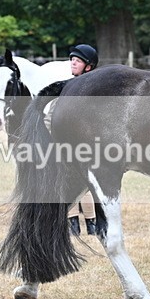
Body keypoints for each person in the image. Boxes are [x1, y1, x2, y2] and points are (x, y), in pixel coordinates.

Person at [66, 44, 99, 235]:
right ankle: (74, 222)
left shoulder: (91, 88)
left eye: (77, 61)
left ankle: (89, 221)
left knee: (83, 182)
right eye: (72, 59)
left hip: (85, 141)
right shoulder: (68, 85)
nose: (73, 63)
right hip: (67, 141)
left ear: (88, 66)